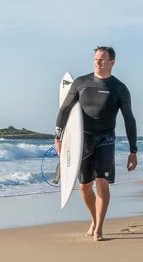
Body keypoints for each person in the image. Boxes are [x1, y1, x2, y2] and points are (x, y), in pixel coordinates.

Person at [55, 46, 138, 241]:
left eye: (102, 59)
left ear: (112, 62)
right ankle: (93, 219)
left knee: (101, 182)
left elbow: (129, 120)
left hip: (106, 138)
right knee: (84, 186)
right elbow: (65, 110)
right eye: (95, 59)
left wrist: (133, 151)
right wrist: (58, 137)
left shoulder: (119, 88)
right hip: (81, 139)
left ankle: (99, 227)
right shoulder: (81, 83)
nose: (97, 63)